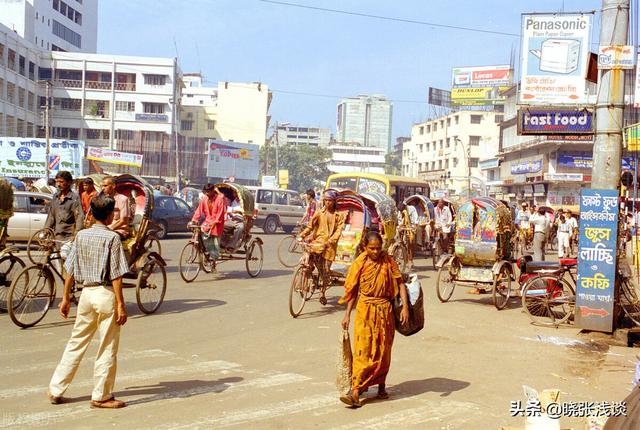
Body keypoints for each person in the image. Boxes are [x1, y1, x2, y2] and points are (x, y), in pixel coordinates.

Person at [47, 195, 129, 409]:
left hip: (86, 294)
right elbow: (116, 276)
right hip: (105, 294)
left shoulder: (81, 236)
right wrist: (121, 304)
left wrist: (65, 298)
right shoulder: (112, 238)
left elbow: (70, 270)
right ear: (111, 215)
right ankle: (101, 395)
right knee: (107, 346)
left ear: (91, 213)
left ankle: (56, 389)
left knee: (76, 342)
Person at [339, 231, 410, 408]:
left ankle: (381, 386)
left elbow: (400, 282)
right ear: (364, 247)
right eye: (372, 248)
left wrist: (405, 308)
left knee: (382, 349)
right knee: (363, 349)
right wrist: (347, 314)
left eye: (378, 248)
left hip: (385, 310)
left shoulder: (389, 261)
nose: (376, 252)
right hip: (365, 309)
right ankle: (356, 390)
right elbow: (353, 291)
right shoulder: (359, 263)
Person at [298, 190, 346, 305]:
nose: (328, 203)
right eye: (326, 200)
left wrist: (330, 241)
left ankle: (322, 292)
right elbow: (310, 226)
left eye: (330, 201)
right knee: (308, 259)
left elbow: (338, 231)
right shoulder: (319, 213)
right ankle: (308, 278)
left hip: (329, 246)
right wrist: (301, 235)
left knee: (325, 272)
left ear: (334, 202)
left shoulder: (339, 216)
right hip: (318, 243)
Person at [190, 184, 227, 262]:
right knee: (201, 234)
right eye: (205, 192)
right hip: (207, 222)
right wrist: (193, 220)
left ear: (213, 191)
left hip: (217, 224)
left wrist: (215, 222)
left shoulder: (219, 199)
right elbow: (199, 211)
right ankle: (206, 250)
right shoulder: (204, 199)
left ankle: (214, 259)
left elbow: (220, 213)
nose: (207, 193)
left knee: (215, 243)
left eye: (208, 192)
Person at [44, 171, 84, 241]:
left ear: (69, 182)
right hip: (56, 235)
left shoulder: (74, 198)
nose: (58, 184)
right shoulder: (55, 196)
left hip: (69, 236)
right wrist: (46, 230)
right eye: (57, 182)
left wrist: (76, 234)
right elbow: (51, 216)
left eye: (61, 182)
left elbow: (79, 217)